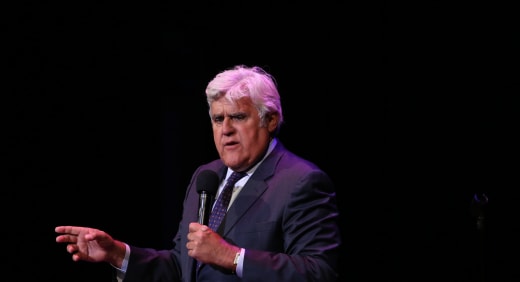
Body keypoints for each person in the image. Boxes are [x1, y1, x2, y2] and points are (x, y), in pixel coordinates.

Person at [55, 65, 342, 281]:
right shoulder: (206, 176)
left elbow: (320, 272)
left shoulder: (300, 181)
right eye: (218, 119)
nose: (226, 129)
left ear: (270, 120)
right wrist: (119, 253)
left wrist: (231, 257)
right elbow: (184, 266)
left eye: (238, 117)